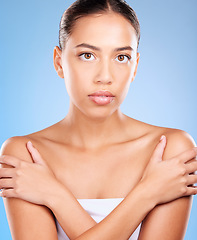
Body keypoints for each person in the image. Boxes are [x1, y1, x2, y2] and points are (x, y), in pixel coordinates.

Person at [0, 0, 197, 239]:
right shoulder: (25, 155)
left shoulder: (171, 150)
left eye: (122, 57)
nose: (105, 77)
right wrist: (148, 193)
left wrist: (54, 196)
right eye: (87, 55)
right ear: (59, 62)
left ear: (135, 66)